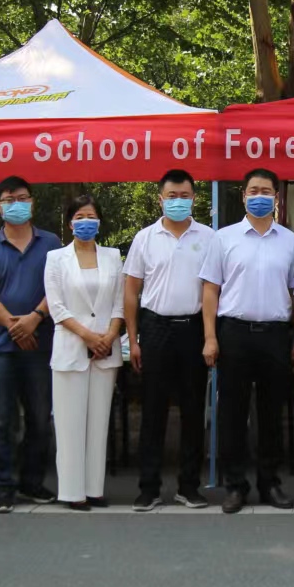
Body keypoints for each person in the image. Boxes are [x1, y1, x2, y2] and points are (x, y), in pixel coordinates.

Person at [199, 167, 294, 514]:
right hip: (234, 333)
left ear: (277, 197)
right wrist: (210, 337)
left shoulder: (290, 241)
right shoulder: (223, 238)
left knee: (272, 413)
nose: (260, 197)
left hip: (275, 334)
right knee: (232, 413)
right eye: (253, 191)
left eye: (266, 191)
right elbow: (210, 290)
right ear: (243, 196)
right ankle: (235, 485)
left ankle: (269, 482)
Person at [124, 170, 215, 511]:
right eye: (172, 196)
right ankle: (148, 487)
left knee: (193, 410)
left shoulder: (209, 237)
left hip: (193, 328)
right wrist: (133, 339)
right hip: (155, 328)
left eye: (185, 196)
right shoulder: (145, 238)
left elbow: (212, 290)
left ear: (194, 199)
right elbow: (131, 292)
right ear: (160, 199)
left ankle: (188, 486)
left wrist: (210, 337)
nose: (178, 201)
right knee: (153, 409)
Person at [0, 176, 61, 513]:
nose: (16, 205)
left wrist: (35, 318)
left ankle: (31, 482)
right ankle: (1, 486)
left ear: (32, 202)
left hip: (40, 344)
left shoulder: (51, 243)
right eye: (9, 200)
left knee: (40, 417)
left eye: (22, 198)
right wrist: (16, 326)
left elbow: (60, 288)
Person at [46, 194, 124, 511]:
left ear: (99, 221)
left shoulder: (113, 257)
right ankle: (72, 491)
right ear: (70, 223)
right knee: (69, 424)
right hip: (71, 346)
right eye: (79, 217)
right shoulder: (56, 258)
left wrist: (109, 336)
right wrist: (89, 337)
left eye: (91, 216)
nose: (86, 222)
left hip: (106, 349)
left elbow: (119, 303)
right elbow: (56, 307)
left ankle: (94, 488)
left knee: (98, 422)